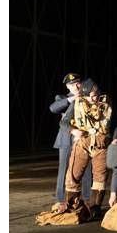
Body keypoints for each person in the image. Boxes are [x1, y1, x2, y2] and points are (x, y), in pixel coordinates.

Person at [58, 79, 117, 215]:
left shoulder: (108, 103)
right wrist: (73, 131)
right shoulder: (76, 103)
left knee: (100, 177)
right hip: (82, 144)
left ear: (99, 92)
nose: (91, 99)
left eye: (93, 96)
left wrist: (115, 140)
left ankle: (95, 209)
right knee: (73, 175)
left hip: (102, 145)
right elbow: (64, 122)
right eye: (87, 96)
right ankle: (70, 206)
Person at [49, 73, 93, 205]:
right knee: (64, 172)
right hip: (67, 140)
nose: (76, 87)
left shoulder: (90, 97)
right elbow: (53, 108)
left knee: (87, 172)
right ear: (68, 87)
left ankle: (88, 203)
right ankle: (60, 202)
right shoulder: (63, 98)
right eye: (72, 85)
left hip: (85, 138)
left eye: (78, 84)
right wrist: (72, 99)